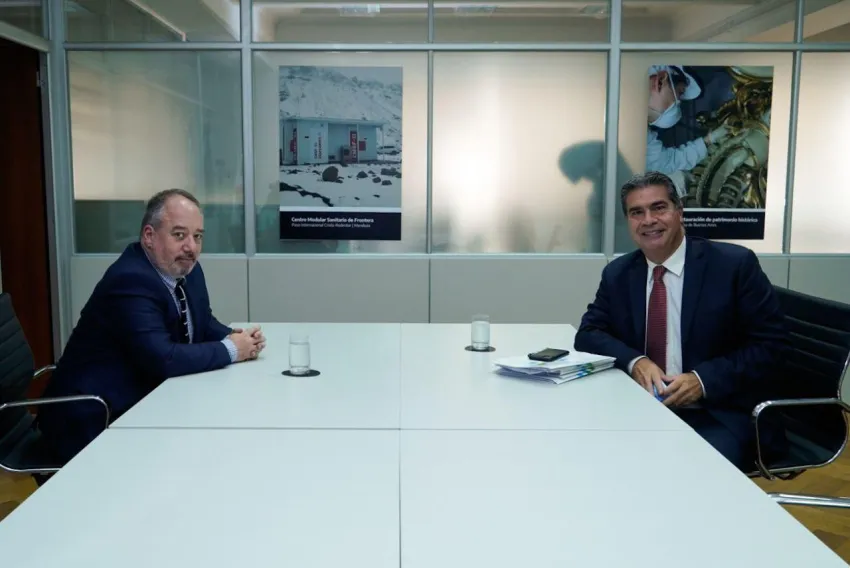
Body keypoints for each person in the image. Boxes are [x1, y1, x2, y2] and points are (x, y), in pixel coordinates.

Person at [573, 171, 788, 471]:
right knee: (590, 456)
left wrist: (702, 380)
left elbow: (771, 346)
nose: (648, 220)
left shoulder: (732, 265)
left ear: (679, 212)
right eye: (637, 212)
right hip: (642, 406)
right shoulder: (619, 273)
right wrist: (636, 362)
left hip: (717, 412)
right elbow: (589, 333)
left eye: (659, 208)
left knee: (688, 471)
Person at [38, 189, 266, 463]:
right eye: (179, 235)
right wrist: (231, 349)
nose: (191, 247)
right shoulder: (130, 280)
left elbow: (202, 322)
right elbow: (163, 359)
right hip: (92, 418)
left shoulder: (186, 268)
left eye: (197, 236)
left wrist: (237, 338)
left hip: (144, 400)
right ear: (149, 236)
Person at [646, 65, 729, 196]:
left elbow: (668, 161)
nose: (678, 103)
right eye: (679, 94)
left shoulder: (645, 139)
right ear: (660, 81)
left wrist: (709, 140)